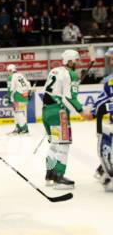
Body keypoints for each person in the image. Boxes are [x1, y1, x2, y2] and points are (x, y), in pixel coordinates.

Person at [42, 49, 93, 189]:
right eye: (76, 60)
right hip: (59, 113)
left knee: (54, 144)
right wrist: (82, 111)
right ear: (70, 61)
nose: (77, 63)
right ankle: (59, 177)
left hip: (46, 111)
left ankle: (50, 174)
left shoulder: (54, 71)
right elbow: (70, 97)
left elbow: (53, 92)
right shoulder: (71, 74)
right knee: (63, 144)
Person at [92, 47, 113, 191]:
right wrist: (92, 112)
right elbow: (100, 102)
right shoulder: (110, 83)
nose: (111, 62)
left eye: (112, 59)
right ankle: (104, 170)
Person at [6, 64, 31, 134]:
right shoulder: (20, 75)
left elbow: (10, 89)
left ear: (11, 70)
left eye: (8, 71)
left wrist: (9, 97)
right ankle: (18, 128)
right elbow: (28, 84)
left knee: (18, 112)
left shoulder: (11, 77)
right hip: (24, 96)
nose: (8, 72)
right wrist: (28, 93)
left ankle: (24, 128)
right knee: (17, 112)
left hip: (18, 96)